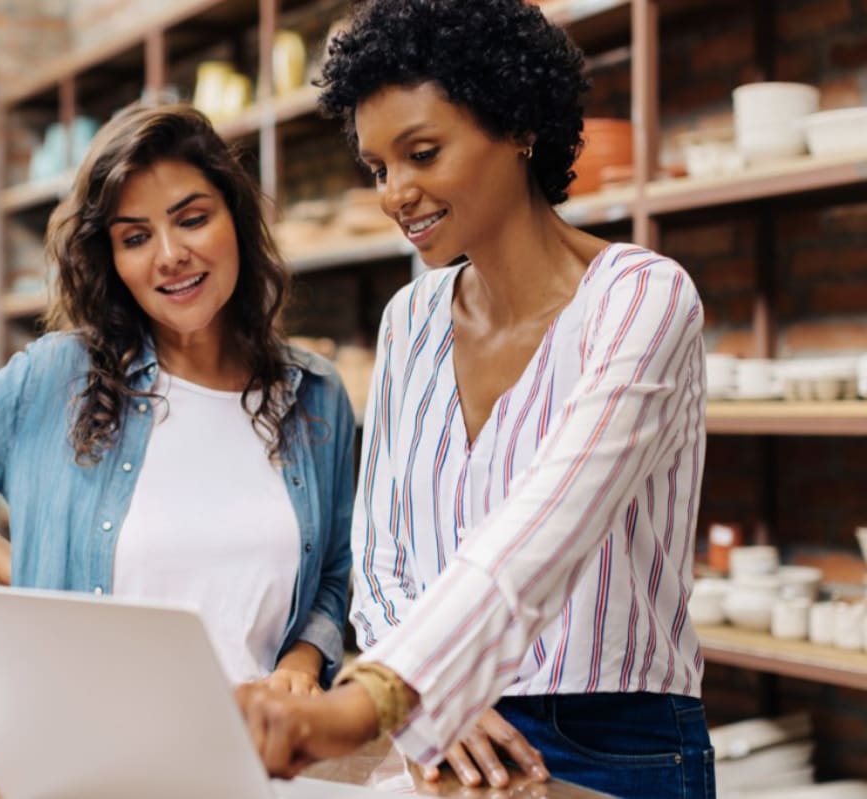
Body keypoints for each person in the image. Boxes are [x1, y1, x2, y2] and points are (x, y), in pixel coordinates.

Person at [235, 0, 714, 795]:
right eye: (380, 168)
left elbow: (550, 522)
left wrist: (382, 695)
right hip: (439, 742)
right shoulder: (410, 316)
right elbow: (383, 549)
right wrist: (431, 707)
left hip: (616, 742)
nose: (396, 193)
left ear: (518, 124)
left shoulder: (642, 300)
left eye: (423, 153)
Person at [0, 103, 357, 694]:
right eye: (136, 237)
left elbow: (332, 569)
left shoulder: (315, 393)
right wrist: (26, 578)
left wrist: (303, 661)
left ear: (237, 220)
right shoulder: (60, 377)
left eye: (193, 219)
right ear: (113, 261)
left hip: (269, 760)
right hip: (92, 743)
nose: (170, 254)